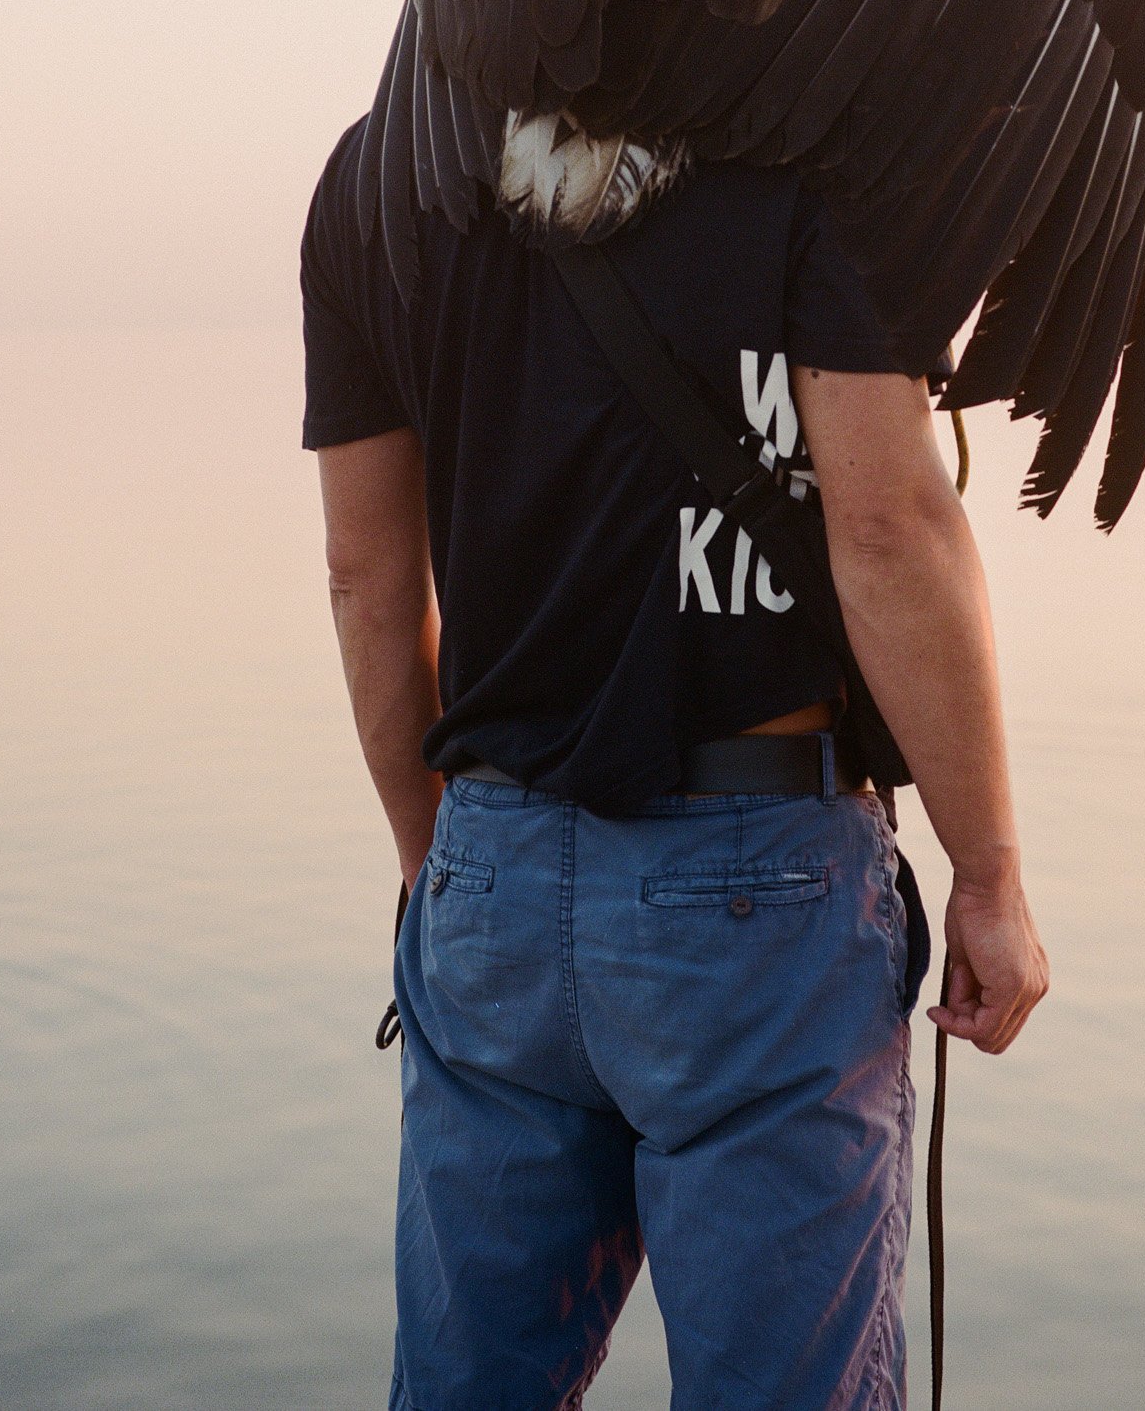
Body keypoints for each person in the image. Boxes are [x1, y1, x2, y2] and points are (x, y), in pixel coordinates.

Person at [301, 117, 1049, 1410]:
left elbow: (368, 578)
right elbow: (886, 530)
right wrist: (988, 873)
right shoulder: (818, 143)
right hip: (757, 890)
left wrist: (443, 870)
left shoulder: (389, 165)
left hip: (490, 879)